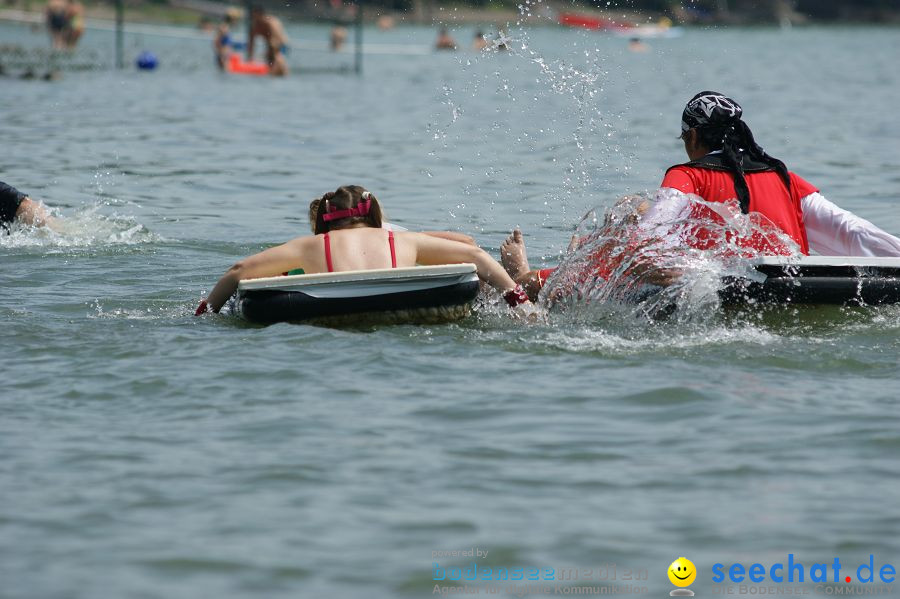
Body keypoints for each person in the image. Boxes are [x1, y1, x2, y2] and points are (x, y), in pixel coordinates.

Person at [195, 185, 531, 315]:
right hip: (408, 305)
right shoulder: (402, 239)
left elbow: (238, 270)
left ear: (324, 220)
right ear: (373, 215)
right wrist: (517, 299)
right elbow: (474, 255)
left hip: (332, 308)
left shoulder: (310, 246)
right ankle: (523, 284)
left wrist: (206, 312)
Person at [642, 91, 900, 257]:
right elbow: (852, 231)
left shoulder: (685, 176)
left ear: (693, 135)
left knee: (630, 210)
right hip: (794, 290)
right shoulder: (784, 177)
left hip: (727, 297)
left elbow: (652, 230)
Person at [248, 5, 289, 77]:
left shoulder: (271, 23)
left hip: (281, 45)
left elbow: (276, 40)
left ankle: (283, 75)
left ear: (261, 15)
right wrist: (250, 59)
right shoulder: (255, 27)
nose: (254, 19)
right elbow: (251, 45)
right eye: (253, 17)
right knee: (269, 64)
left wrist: (268, 52)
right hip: (270, 46)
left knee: (277, 62)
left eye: (256, 17)